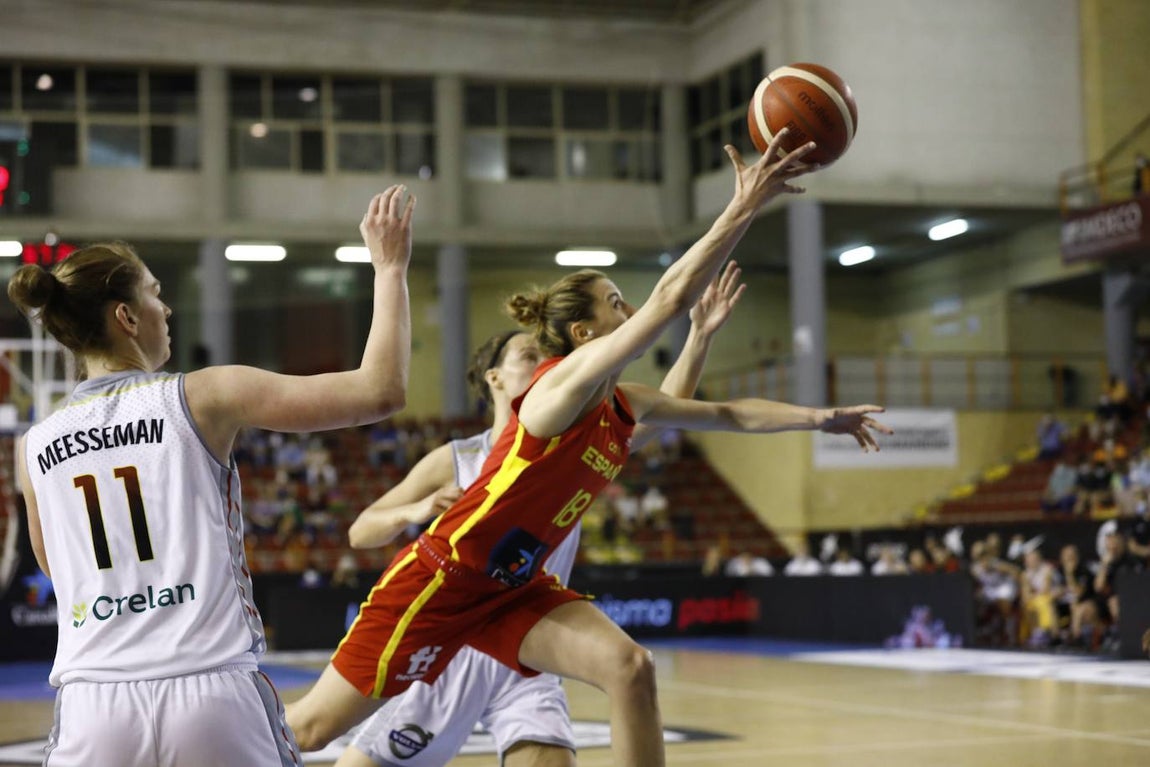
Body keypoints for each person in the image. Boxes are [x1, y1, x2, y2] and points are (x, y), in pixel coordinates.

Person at [286, 131, 890, 765]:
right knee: (309, 733)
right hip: (445, 579)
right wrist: (743, 205)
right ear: (584, 334)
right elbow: (669, 297)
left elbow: (729, 412)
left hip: (515, 588)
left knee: (630, 667)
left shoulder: (626, 403)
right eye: (613, 302)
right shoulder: (555, 392)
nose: (627, 307)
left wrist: (821, 418)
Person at [9, 185, 416, 767]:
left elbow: (59, 568)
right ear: (125, 317)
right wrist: (389, 267)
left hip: (93, 703)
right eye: (155, 294)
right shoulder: (203, 395)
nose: (166, 309)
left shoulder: (34, 445)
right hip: (211, 693)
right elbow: (380, 390)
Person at [336, 263, 746, 767]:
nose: (543, 361)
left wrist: (699, 337)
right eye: (527, 355)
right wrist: (416, 508)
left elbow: (661, 410)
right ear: (494, 378)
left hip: (530, 643)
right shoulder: (455, 458)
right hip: (454, 644)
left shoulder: (578, 437)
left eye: (544, 354)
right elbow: (361, 531)